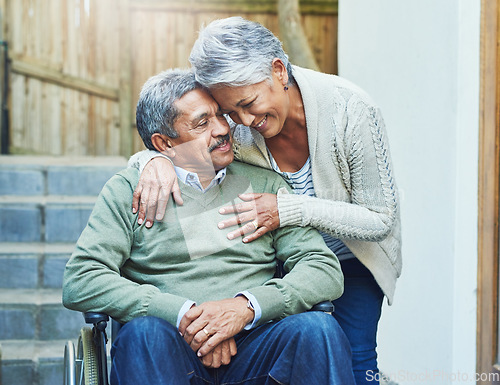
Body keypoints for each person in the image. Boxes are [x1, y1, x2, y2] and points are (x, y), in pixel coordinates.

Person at [128, 17, 402, 385]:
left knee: (353, 362)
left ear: (278, 70)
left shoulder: (350, 112)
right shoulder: (237, 127)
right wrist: (153, 159)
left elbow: (381, 219)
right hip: (273, 257)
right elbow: (179, 147)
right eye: (230, 111)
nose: (244, 121)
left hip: (351, 258)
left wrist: (288, 209)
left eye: (248, 103)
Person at [62, 68, 355, 385]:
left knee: (318, 329)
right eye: (202, 123)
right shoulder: (128, 192)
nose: (222, 129)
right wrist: (186, 315)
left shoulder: (264, 183)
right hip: (168, 349)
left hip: (257, 346)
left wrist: (245, 309)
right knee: (143, 333)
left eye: (221, 115)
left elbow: (322, 269)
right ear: (164, 142)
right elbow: (82, 279)